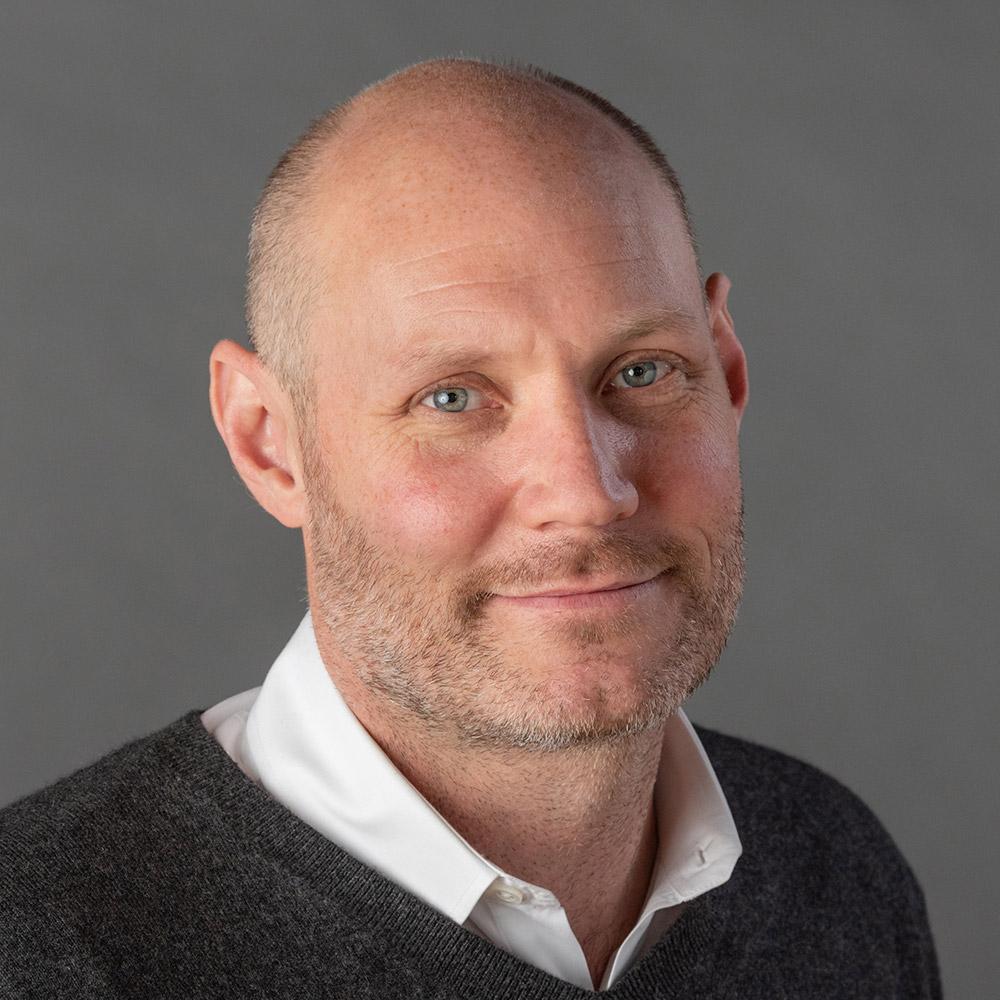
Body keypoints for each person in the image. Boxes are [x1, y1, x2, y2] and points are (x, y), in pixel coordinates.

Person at [0, 59, 940, 998]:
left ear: (727, 375)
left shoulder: (832, 872)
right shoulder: (40, 953)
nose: (586, 491)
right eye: (452, 397)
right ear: (269, 443)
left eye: (644, 371)